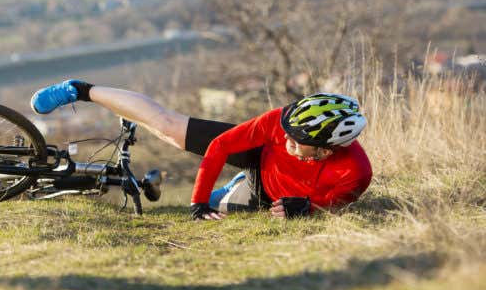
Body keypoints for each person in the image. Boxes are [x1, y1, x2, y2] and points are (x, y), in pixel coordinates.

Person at [30, 80, 372, 220]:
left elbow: (330, 206)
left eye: (296, 143)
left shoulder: (354, 173)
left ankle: (229, 188)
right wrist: (196, 201)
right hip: (258, 156)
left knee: (216, 205)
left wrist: (307, 208)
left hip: (264, 195)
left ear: (326, 151)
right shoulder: (278, 124)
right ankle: (81, 89)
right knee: (169, 129)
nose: (287, 140)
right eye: (287, 132)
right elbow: (221, 146)